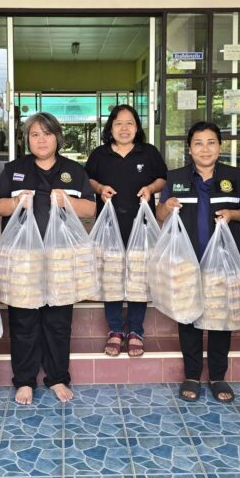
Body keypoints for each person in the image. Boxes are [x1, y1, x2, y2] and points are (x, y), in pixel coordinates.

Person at [0, 112, 96, 405]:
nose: (41, 140)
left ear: (58, 138)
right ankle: (24, 380)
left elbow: (90, 209)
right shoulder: (14, 169)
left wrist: (67, 201)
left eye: (47, 134)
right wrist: (15, 202)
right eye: (35, 134)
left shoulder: (73, 170)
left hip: (61, 259)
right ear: (27, 139)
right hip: (23, 258)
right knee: (23, 319)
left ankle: (57, 377)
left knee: (58, 321)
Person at [157, 121, 240, 403]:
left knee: (221, 318)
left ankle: (217, 375)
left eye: (211, 142)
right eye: (198, 143)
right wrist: (166, 207)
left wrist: (233, 214)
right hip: (186, 261)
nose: (205, 149)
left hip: (223, 262)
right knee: (188, 316)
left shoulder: (234, 177)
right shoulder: (175, 177)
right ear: (189, 149)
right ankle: (192, 374)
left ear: (220, 146)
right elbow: (159, 215)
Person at [85, 104, 167, 357]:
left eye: (129, 123)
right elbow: (88, 179)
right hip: (110, 227)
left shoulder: (148, 152)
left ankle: (136, 330)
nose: (124, 128)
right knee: (111, 276)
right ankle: (115, 329)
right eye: (118, 123)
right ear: (110, 127)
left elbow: (162, 178)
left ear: (137, 127)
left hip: (140, 225)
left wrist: (151, 189)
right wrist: (100, 189)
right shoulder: (100, 154)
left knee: (138, 277)